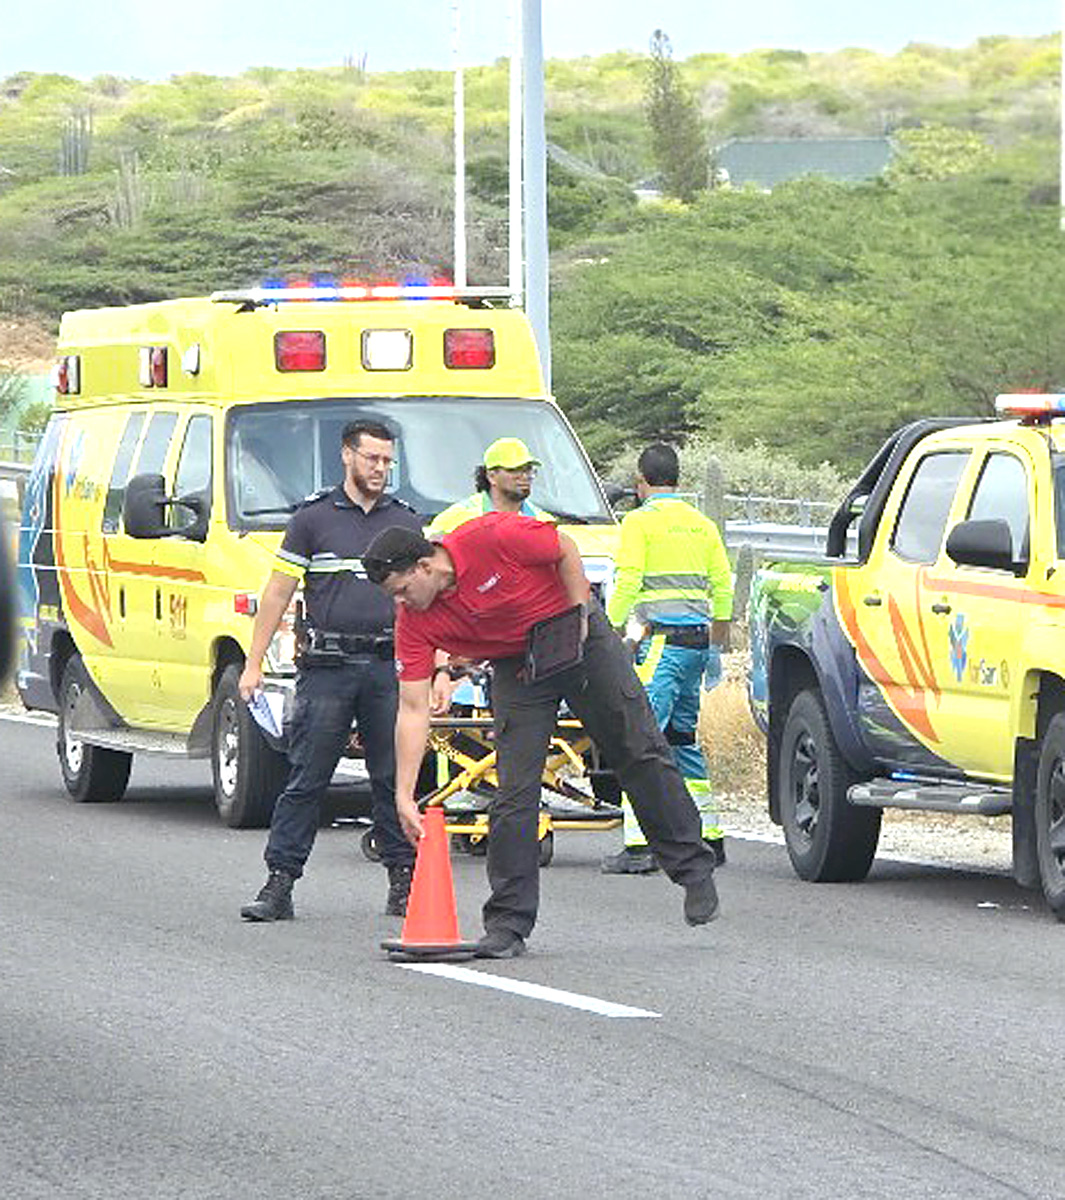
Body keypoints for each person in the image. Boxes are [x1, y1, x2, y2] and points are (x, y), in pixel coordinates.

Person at [363, 516, 720, 959]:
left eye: (401, 590)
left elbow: (564, 547)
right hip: (519, 665)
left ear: (424, 566)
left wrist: (579, 613)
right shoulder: (413, 622)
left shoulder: (489, 537)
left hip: (577, 636)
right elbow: (413, 709)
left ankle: (692, 868)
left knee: (638, 750)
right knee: (514, 791)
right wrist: (403, 795)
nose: (400, 603)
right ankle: (507, 925)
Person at [239, 419, 422, 922]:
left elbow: (424, 601)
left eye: (387, 461)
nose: (380, 469)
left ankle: (403, 882)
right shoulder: (312, 519)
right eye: (372, 459)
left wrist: (439, 668)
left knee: (392, 779)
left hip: (387, 668)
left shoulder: (405, 523)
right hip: (328, 669)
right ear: (347, 455)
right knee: (307, 778)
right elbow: (277, 592)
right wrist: (253, 665)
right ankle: (279, 883)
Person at [601, 443, 733, 875]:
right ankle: (710, 836)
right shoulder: (702, 525)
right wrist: (716, 645)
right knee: (681, 741)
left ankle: (640, 845)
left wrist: (607, 631)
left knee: (640, 743)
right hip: (696, 645)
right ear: (677, 479)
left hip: (660, 645)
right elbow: (723, 586)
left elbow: (628, 581)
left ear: (641, 481)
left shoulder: (639, 522)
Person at [428, 436, 554, 535]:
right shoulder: (455, 520)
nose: (525, 476)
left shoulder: (545, 522)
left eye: (528, 470)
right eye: (514, 470)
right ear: (491, 476)